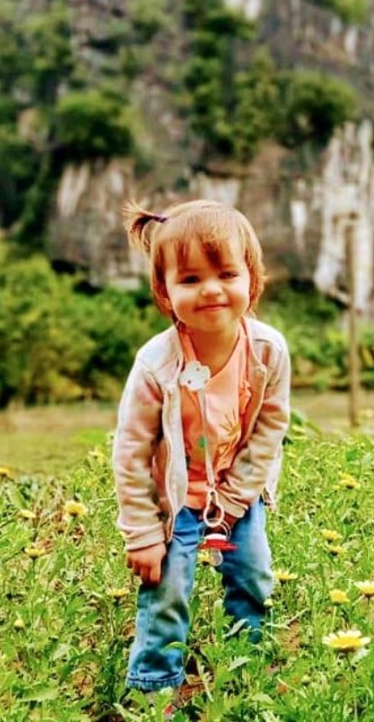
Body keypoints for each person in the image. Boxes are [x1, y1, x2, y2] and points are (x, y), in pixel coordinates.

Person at [112, 199, 291, 704]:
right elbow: (131, 451)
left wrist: (237, 497)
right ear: (165, 292)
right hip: (176, 500)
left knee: (254, 577)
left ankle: (247, 675)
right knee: (167, 590)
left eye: (226, 274)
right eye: (190, 280)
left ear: (251, 280)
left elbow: (271, 427)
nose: (211, 289)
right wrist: (143, 534)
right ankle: (154, 692)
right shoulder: (154, 364)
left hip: (237, 491)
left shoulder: (269, 351)